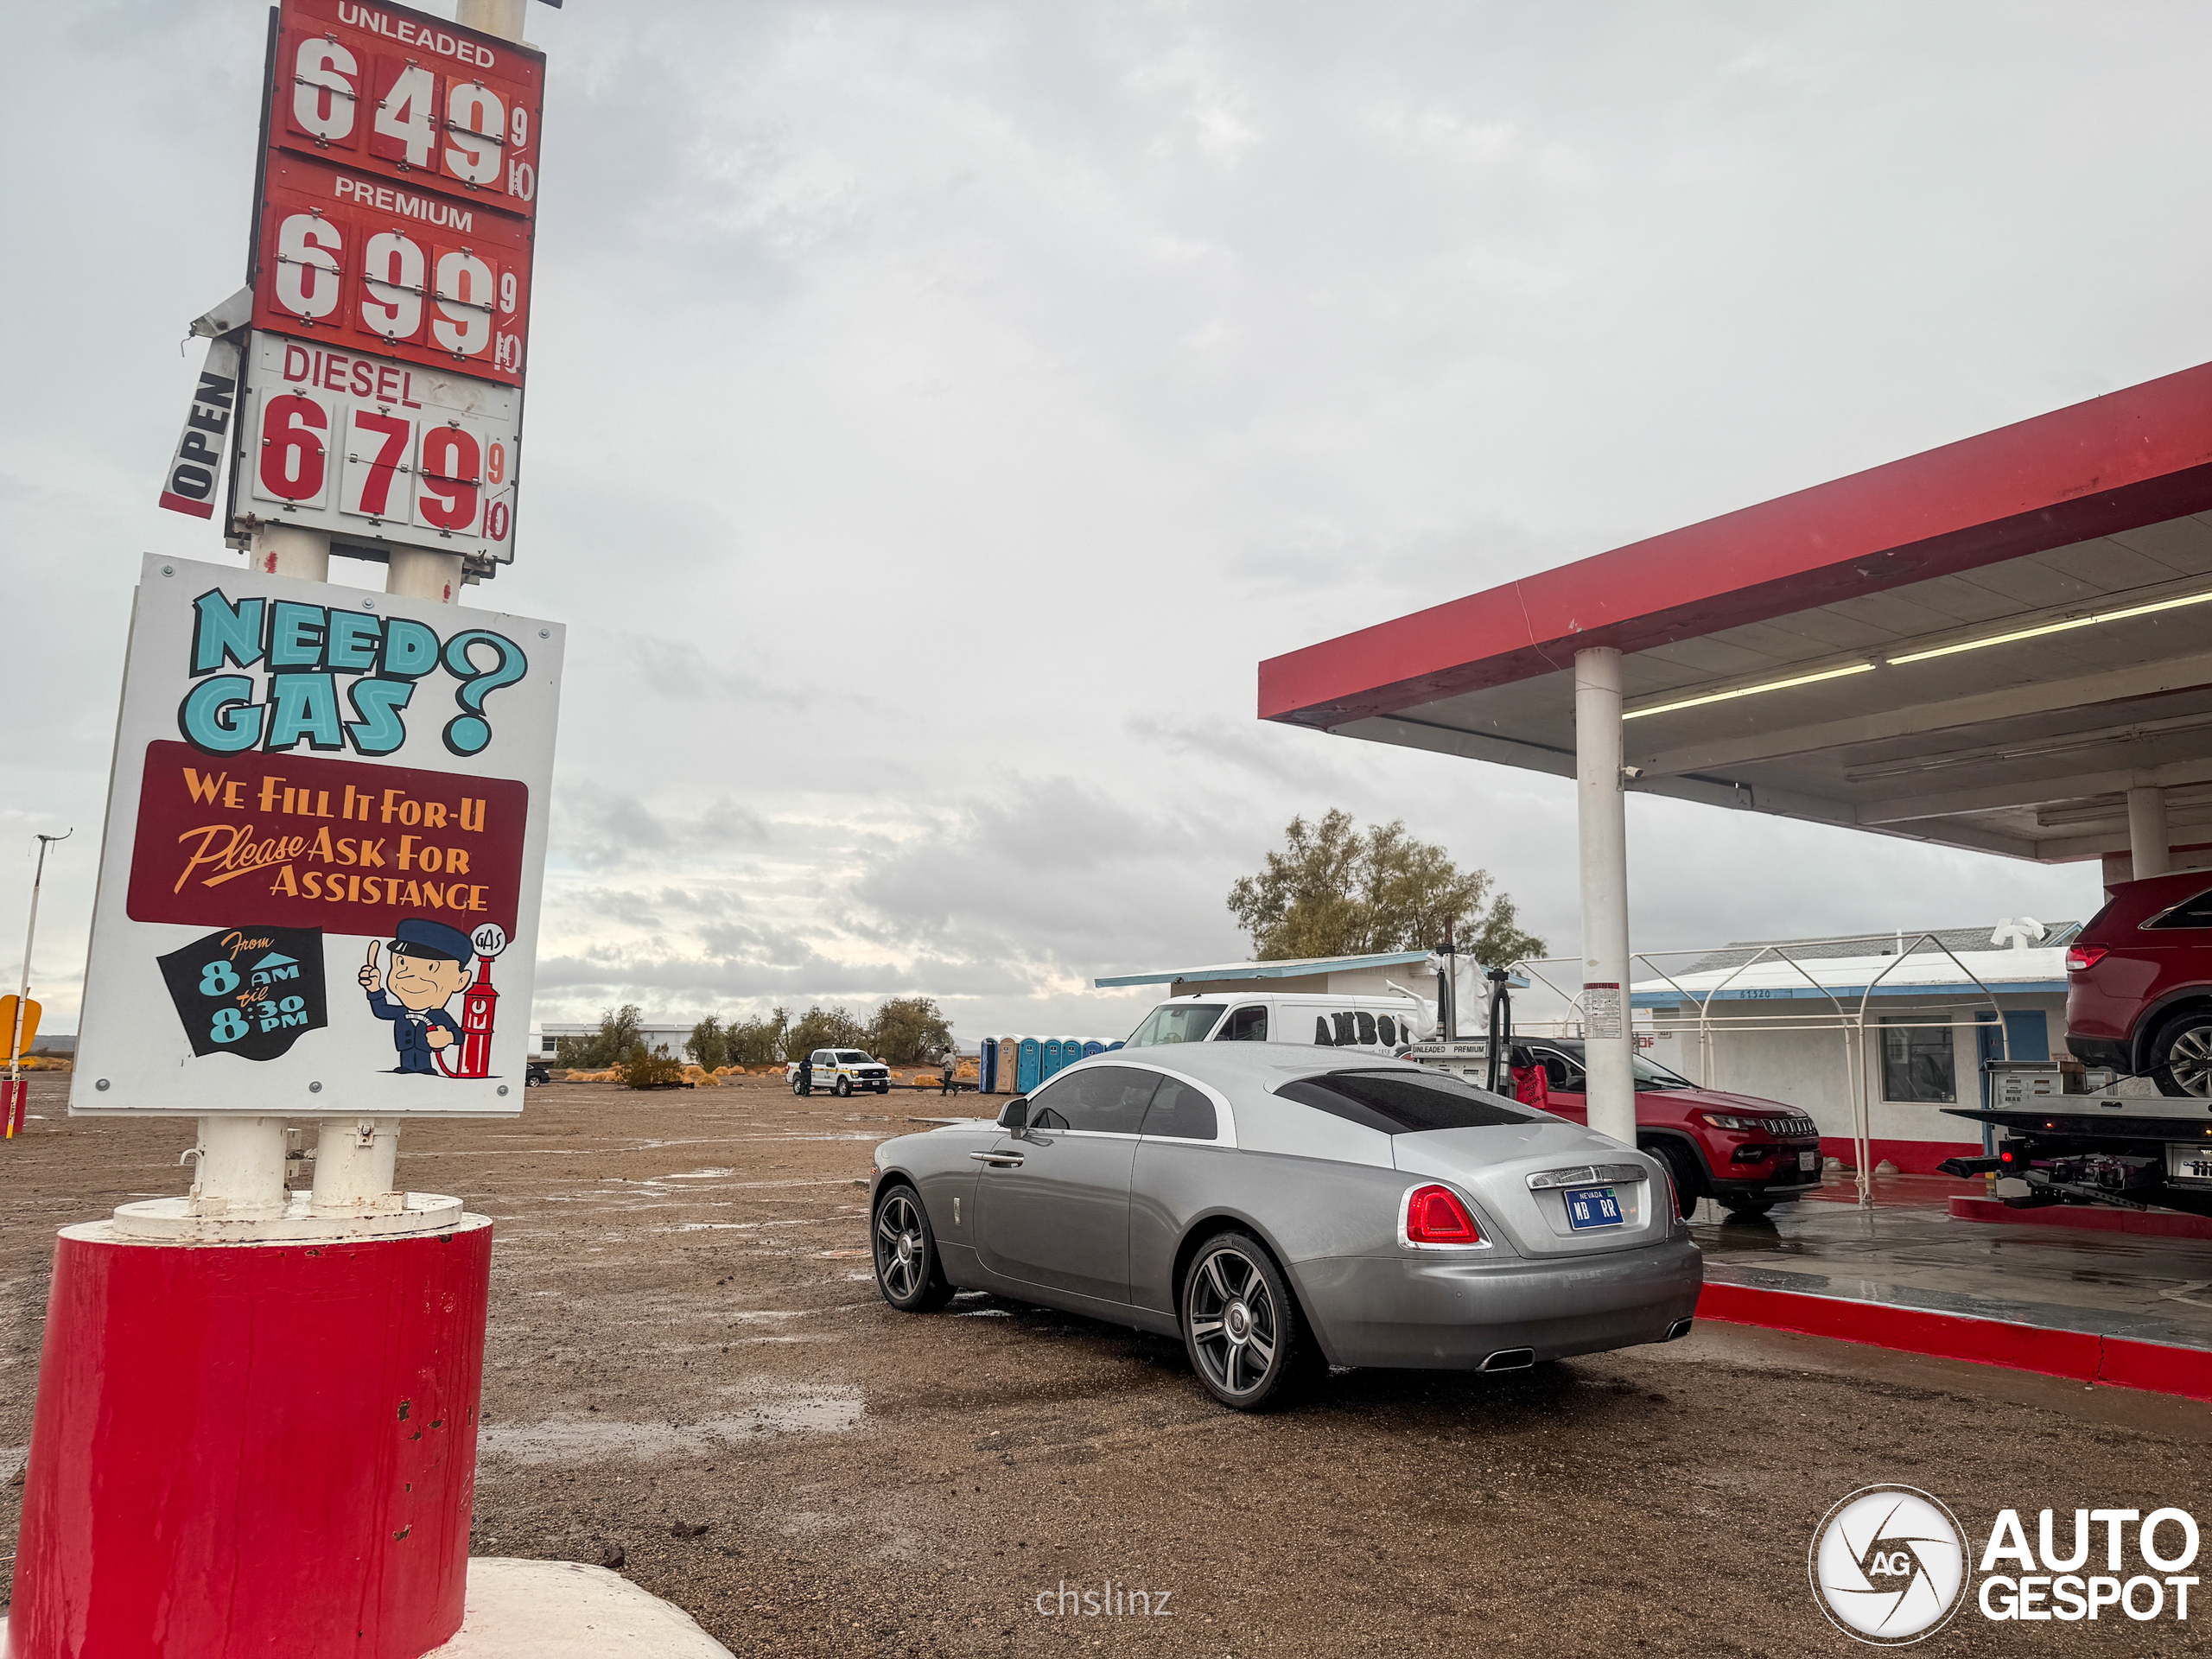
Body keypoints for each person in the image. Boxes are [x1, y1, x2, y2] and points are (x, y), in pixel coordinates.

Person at [359, 919, 474, 1076]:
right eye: (402, 963)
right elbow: (381, 1011)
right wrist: (374, 989)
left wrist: (447, 1036)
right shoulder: (401, 1012)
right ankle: (407, 1067)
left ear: (460, 981)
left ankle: (423, 1068)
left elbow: (459, 1034)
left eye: (431, 968)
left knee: (424, 1069)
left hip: (425, 1060)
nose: (411, 977)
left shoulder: (437, 1015)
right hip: (405, 1057)